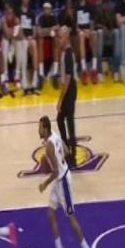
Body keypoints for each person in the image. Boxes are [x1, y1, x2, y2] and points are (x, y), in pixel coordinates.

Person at [38, 115, 94, 248]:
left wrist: (44, 183)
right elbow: (67, 151)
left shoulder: (50, 145)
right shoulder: (55, 135)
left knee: (71, 218)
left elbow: (56, 171)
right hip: (59, 180)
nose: (38, 130)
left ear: (45, 129)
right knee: (50, 214)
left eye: (40, 127)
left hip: (62, 181)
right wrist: (57, 159)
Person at [57, 26, 77, 168]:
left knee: (68, 122)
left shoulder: (68, 54)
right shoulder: (65, 52)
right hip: (68, 89)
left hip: (70, 90)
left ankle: (72, 156)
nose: (59, 40)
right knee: (61, 119)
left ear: (66, 37)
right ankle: (67, 150)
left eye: (60, 37)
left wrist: (61, 99)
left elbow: (68, 78)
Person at [16, 0, 40, 89]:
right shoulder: (17, 12)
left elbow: (34, 31)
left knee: (34, 43)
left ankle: (35, 76)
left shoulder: (31, 13)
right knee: (23, 43)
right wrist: (23, 37)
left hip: (29, 38)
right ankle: (24, 77)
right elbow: (17, 28)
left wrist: (32, 37)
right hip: (20, 39)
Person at [96, 0, 121, 81]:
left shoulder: (113, 6)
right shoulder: (97, 5)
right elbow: (95, 23)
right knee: (99, 33)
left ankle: (116, 71)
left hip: (111, 32)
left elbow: (115, 24)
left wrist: (110, 29)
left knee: (117, 32)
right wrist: (102, 27)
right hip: (101, 33)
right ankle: (99, 72)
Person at [76, 0, 99, 84]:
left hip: (88, 30)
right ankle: (84, 69)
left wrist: (90, 30)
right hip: (80, 31)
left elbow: (92, 22)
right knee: (81, 36)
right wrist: (79, 30)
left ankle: (94, 69)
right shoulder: (76, 6)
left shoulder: (91, 6)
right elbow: (75, 23)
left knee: (93, 35)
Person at [37, 2, 60, 85]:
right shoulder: (40, 18)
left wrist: (47, 31)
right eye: (45, 9)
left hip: (51, 38)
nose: (46, 10)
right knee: (40, 40)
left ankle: (55, 73)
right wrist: (50, 30)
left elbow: (57, 28)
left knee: (56, 39)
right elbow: (39, 32)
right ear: (43, 10)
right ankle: (41, 73)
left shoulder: (53, 18)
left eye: (48, 9)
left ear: (50, 10)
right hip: (43, 38)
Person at [0, 3, 19, 93]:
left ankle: (17, 76)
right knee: (4, 45)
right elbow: (6, 35)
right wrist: (11, 31)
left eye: (11, 13)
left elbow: (15, 35)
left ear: (14, 13)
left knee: (19, 45)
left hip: (12, 43)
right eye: (7, 13)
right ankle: (4, 78)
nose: (9, 15)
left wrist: (11, 32)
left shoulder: (17, 20)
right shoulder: (3, 20)